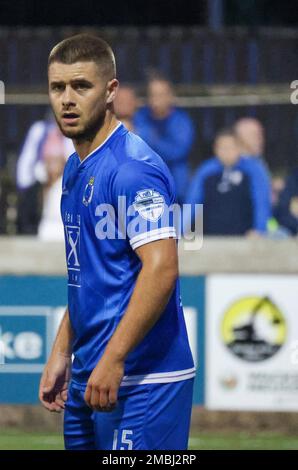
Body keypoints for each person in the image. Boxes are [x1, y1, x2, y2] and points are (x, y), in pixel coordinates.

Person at [39, 34, 195, 451]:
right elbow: (90, 274)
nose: (67, 99)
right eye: (58, 88)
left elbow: (161, 268)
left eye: (81, 86)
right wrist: (62, 351)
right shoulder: (75, 168)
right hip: (90, 372)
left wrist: (114, 358)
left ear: (110, 91)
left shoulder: (131, 169)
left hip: (141, 378)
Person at [186, 128, 271, 236]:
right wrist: (182, 231)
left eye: (231, 147)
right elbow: (192, 202)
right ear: (215, 149)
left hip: (244, 236)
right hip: (210, 236)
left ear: (240, 148)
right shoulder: (206, 170)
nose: (227, 152)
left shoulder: (254, 170)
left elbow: (261, 202)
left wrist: (260, 230)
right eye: (222, 148)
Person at [134, 74, 194, 204]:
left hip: (174, 188)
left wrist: (150, 139)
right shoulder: (140, 117)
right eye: (152, 94)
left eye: (161, 94)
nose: (156, 99)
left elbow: (178, 151)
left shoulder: (181, 121)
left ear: (170, 96)